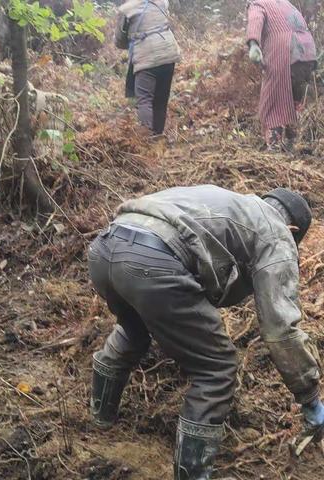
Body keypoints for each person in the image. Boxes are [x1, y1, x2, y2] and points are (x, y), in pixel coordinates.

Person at [88, 185, 323, 479]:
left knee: (134, 329)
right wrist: (309, 396)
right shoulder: (276, 231)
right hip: (154, 262)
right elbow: (281, 330)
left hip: (105, 248)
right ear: (292, 229)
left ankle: (99, 418)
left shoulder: (234, 205)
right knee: (217, 367)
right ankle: (192, 474)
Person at [246, 0, 317, 150]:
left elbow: (255, 20)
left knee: (272, 101)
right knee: (294, 100)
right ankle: (293, 143)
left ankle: (274, 148)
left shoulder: (258, 4)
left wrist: (253, 44)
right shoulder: (285, 3)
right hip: (307, 52)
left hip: (286, 51)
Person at [115, 0, 181, 136]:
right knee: (161, 98)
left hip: (146, 57)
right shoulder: (161, 2)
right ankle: (158, 135)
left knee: (144, 99)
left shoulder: (126, 9)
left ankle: (147, 138)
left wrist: (135, 38)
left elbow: (119, 41)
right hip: (168, 52)